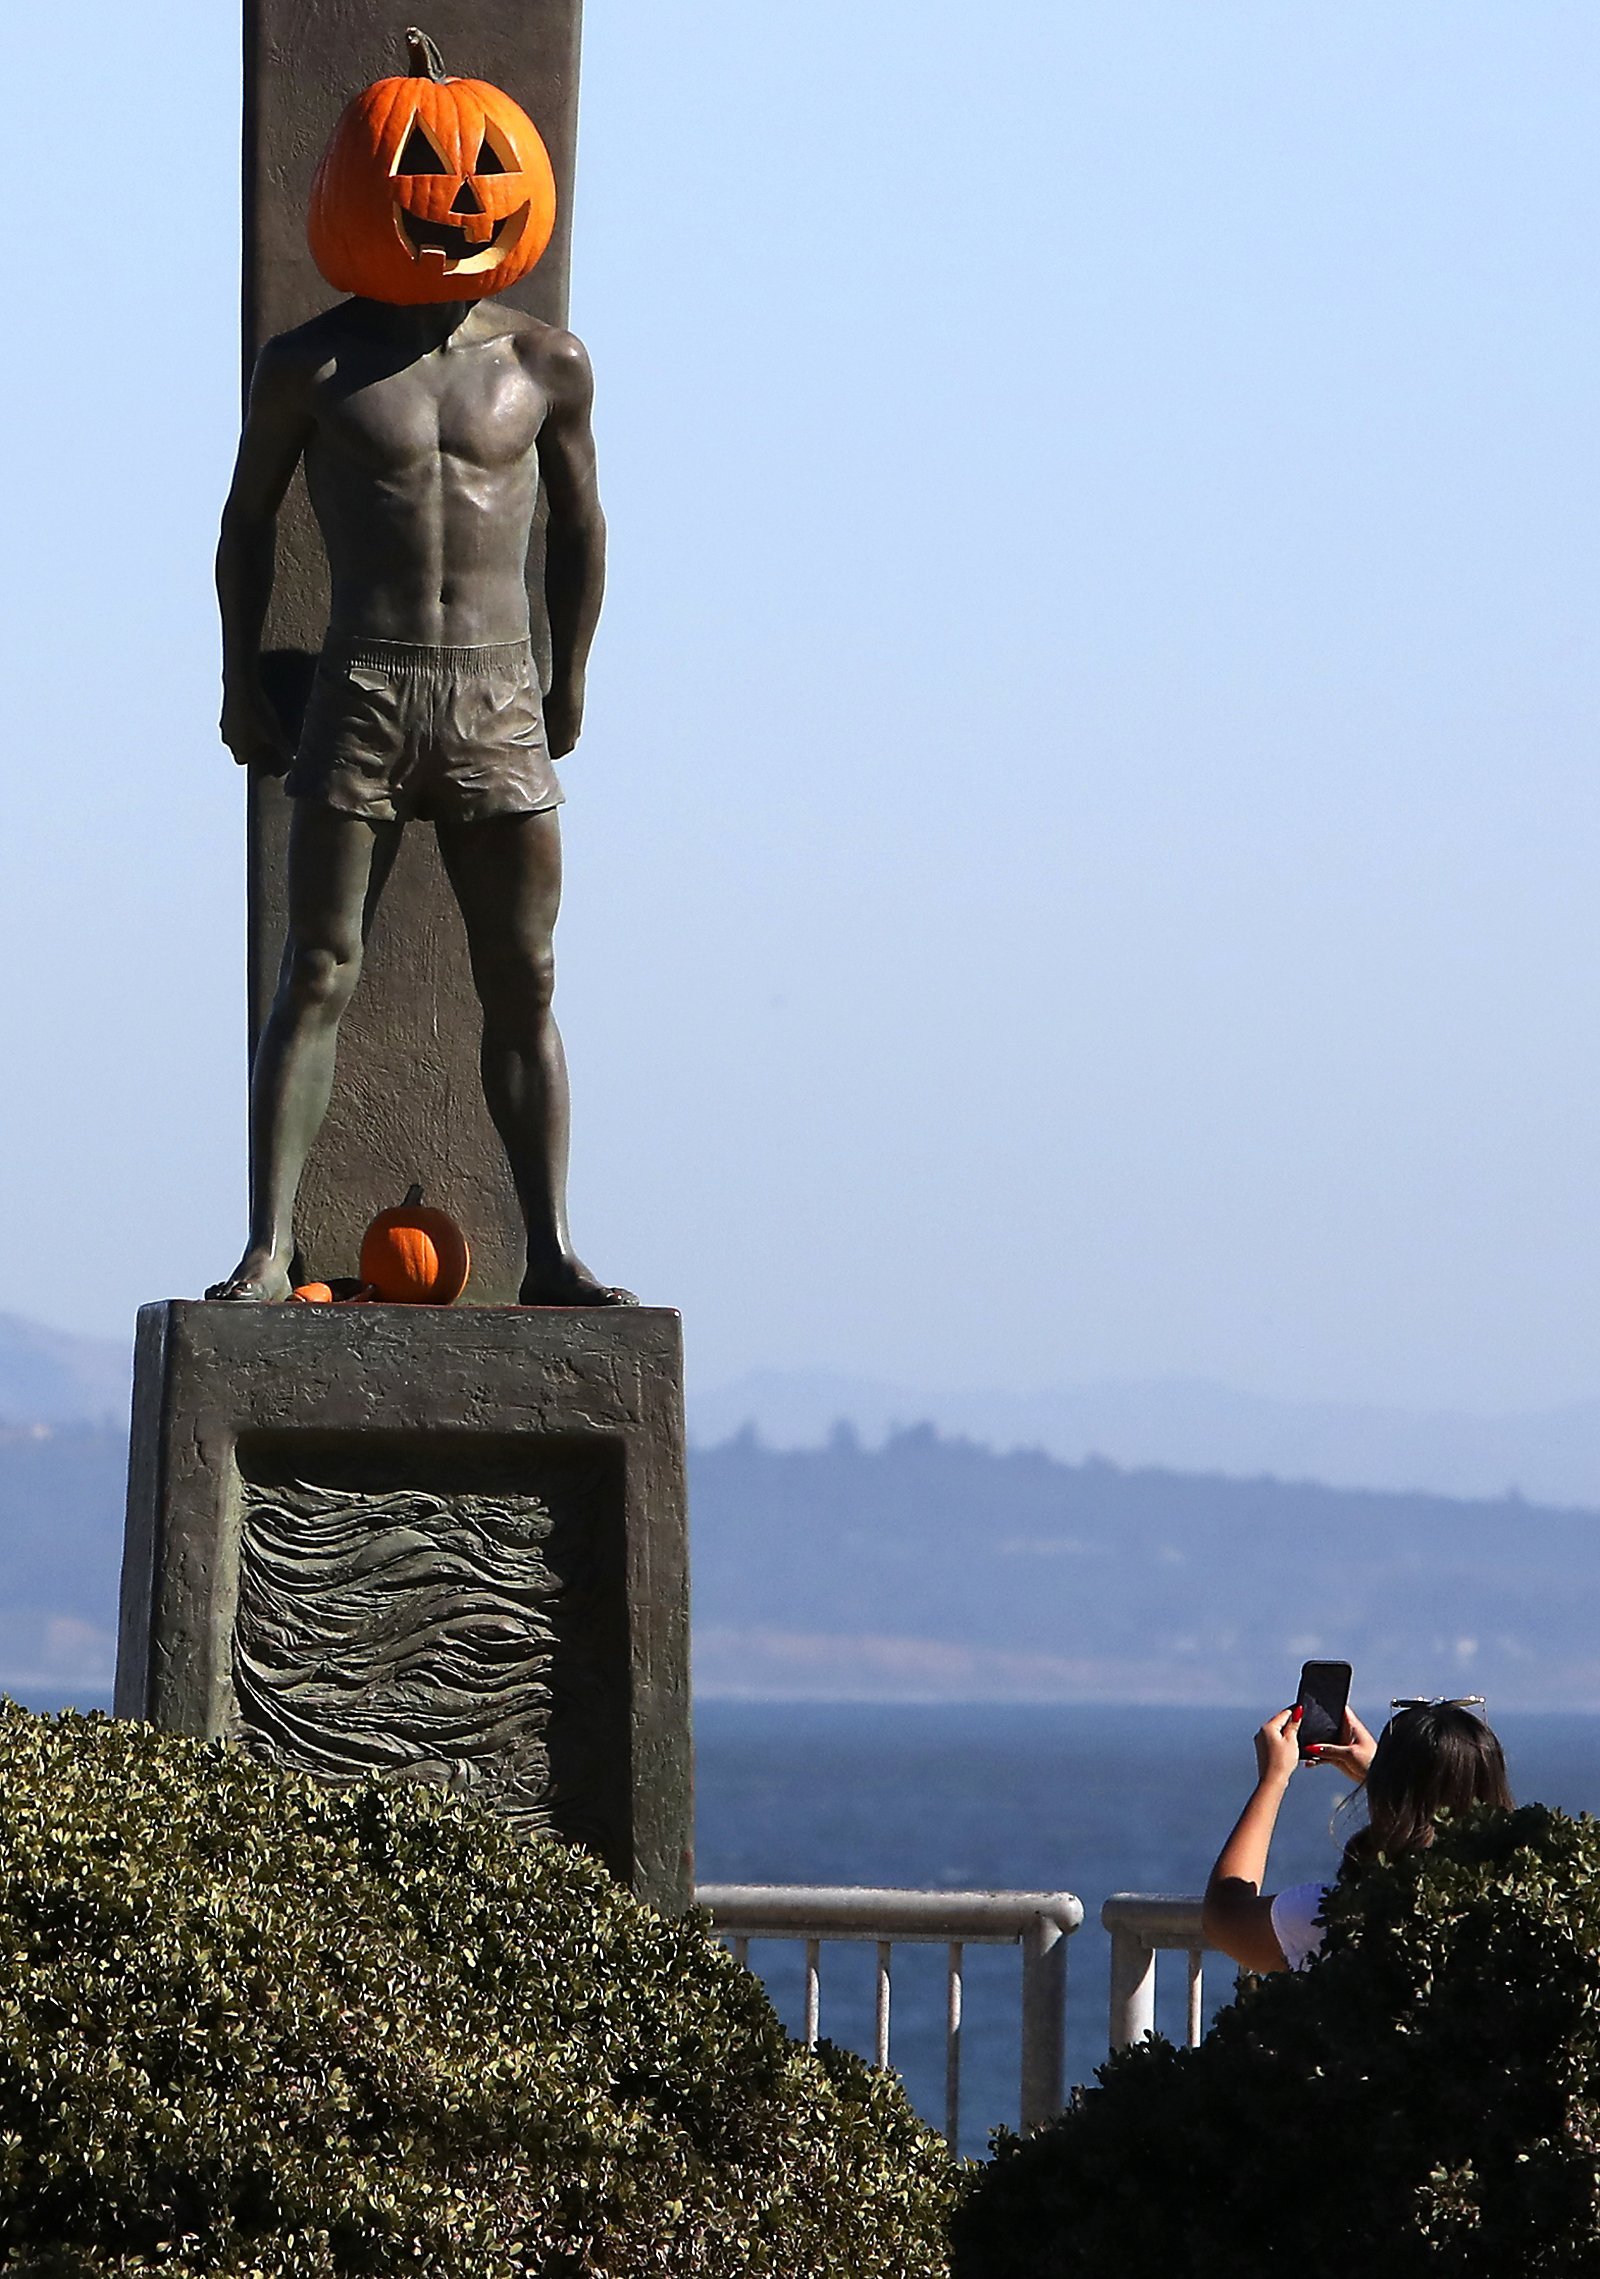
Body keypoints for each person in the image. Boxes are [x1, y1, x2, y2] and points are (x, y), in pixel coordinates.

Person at [207, 266, 629, 1307]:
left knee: (524, 977)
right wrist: (237, 677)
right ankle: (268, 1247)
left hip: (494, 688)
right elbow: (245, 519)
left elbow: (582, 523)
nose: (448, 196)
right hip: (367, 681)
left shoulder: (546, 362)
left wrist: (569, 675)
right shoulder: (310, 364)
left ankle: (552, 1248)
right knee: (317, 967)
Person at [1202, 1697, 1514, 1973]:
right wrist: (1383, 1781)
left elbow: (1224, 1917)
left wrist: (1273, 1779)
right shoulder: (1521, 1916)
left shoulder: (1335, 1917)